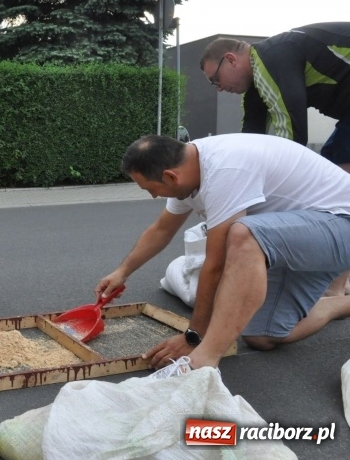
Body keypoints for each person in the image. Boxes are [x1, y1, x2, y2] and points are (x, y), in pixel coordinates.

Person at [96, 133, 350, 377]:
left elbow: (216, 265)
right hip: (301, 241)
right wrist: (122, 271)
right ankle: (340, 305)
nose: (153, 196)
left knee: (243, 235)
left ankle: (205, 359)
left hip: (341, 225)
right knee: (262, 336)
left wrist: (194, 336)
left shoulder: (226, 170)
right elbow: (162, 230)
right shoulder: (188, 168)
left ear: (170, 177)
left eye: (150, 189)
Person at [201, 22, 350, 295]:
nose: (219, 89)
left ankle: (336, 287)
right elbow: (249, 142)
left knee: (337, 180)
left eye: (215, 79)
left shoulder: (271, 56)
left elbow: (290, 134)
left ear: (231, 60)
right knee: (335, 175)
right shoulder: (259, 83)